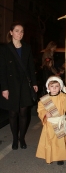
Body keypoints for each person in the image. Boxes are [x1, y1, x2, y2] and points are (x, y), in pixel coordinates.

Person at [0, 22, 38, 150]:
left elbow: (31, 67)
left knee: (23, 112)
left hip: (24, 85)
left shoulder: (27, 47)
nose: (20, 33)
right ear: (11, 32)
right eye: (17, 31)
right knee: (12, 113)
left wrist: (34, 83)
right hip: (11, 85)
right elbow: (2, 69)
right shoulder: (5, 49)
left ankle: (22, 138)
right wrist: (4, 88)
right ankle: (14, 139)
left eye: (21, 31)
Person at [36, 76, 66, 165]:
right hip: (50, 124)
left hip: (60, 122)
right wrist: (45, 114)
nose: (54, 88)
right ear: (48, 87)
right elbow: (40, 110)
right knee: (50, 141)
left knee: (60, 141)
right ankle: (51, 156)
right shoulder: (44, 99)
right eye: (52, 86)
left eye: (57, 86)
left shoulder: (62, 96)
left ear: (60, 87)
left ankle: (60, 157)